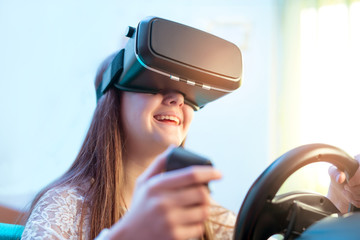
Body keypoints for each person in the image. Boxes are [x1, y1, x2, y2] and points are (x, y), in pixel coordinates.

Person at [21, 16, 360, 240]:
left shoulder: (209, 218)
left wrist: (340, 199)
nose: (176, 100)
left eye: (187, 94)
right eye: (154, 84)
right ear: (114, 99)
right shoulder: (65, 206)